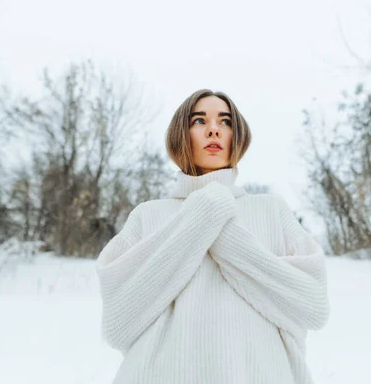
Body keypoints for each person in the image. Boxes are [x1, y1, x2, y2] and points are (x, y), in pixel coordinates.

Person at [95, 89, 330, 384]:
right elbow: (118, 323)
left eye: (225, 121)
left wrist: (218, 225)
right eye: (198, 121)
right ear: (181, 133)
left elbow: (314, 308)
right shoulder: (148, 216)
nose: (213, 129)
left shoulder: (271, 211)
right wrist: (205, 211)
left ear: (237, 136)